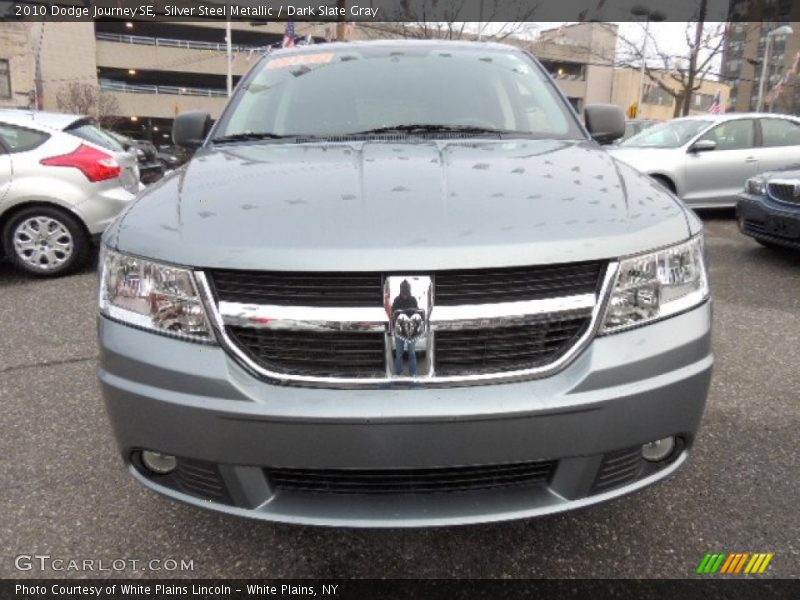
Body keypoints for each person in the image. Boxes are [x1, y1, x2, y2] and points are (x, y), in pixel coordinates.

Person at [391, 280, 419, 376]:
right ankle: (399, 373)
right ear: (400, 289)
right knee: (399, 353)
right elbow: (393, 313)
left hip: (411, 329)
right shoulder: (396, 300)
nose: (405, 291)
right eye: (403, 288)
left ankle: (413, 373)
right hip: (399, 329)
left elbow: (417, 313)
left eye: (406, 288)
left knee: (412, 352)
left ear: (409, 289)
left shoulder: (413, 300)